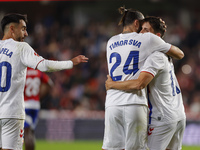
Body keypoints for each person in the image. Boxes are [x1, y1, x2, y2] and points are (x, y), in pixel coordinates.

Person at [0, 13, 88, 150]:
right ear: (12, 29)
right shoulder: (21, 48)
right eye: (23, 29)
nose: (26, 33)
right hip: (12, 114)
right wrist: (70, 62)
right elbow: (44, 65)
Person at [102, 7, 184, 150]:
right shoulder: (150, 42)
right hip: (137, 104)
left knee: (110, 147)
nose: (141, 31)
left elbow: (140, 82)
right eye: (141, 27)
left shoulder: (110, 41)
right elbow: (180, 54)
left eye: (145, 29)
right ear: (136, 23)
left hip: (112, 103)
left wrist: (112, 84)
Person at [23, 67, 53, 150]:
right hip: (35, 105)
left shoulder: (23, 71)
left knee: (26, 132)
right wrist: (39, 97)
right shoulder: (38, 72)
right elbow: (50, 84)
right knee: (31, 132)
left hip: (25, 104)